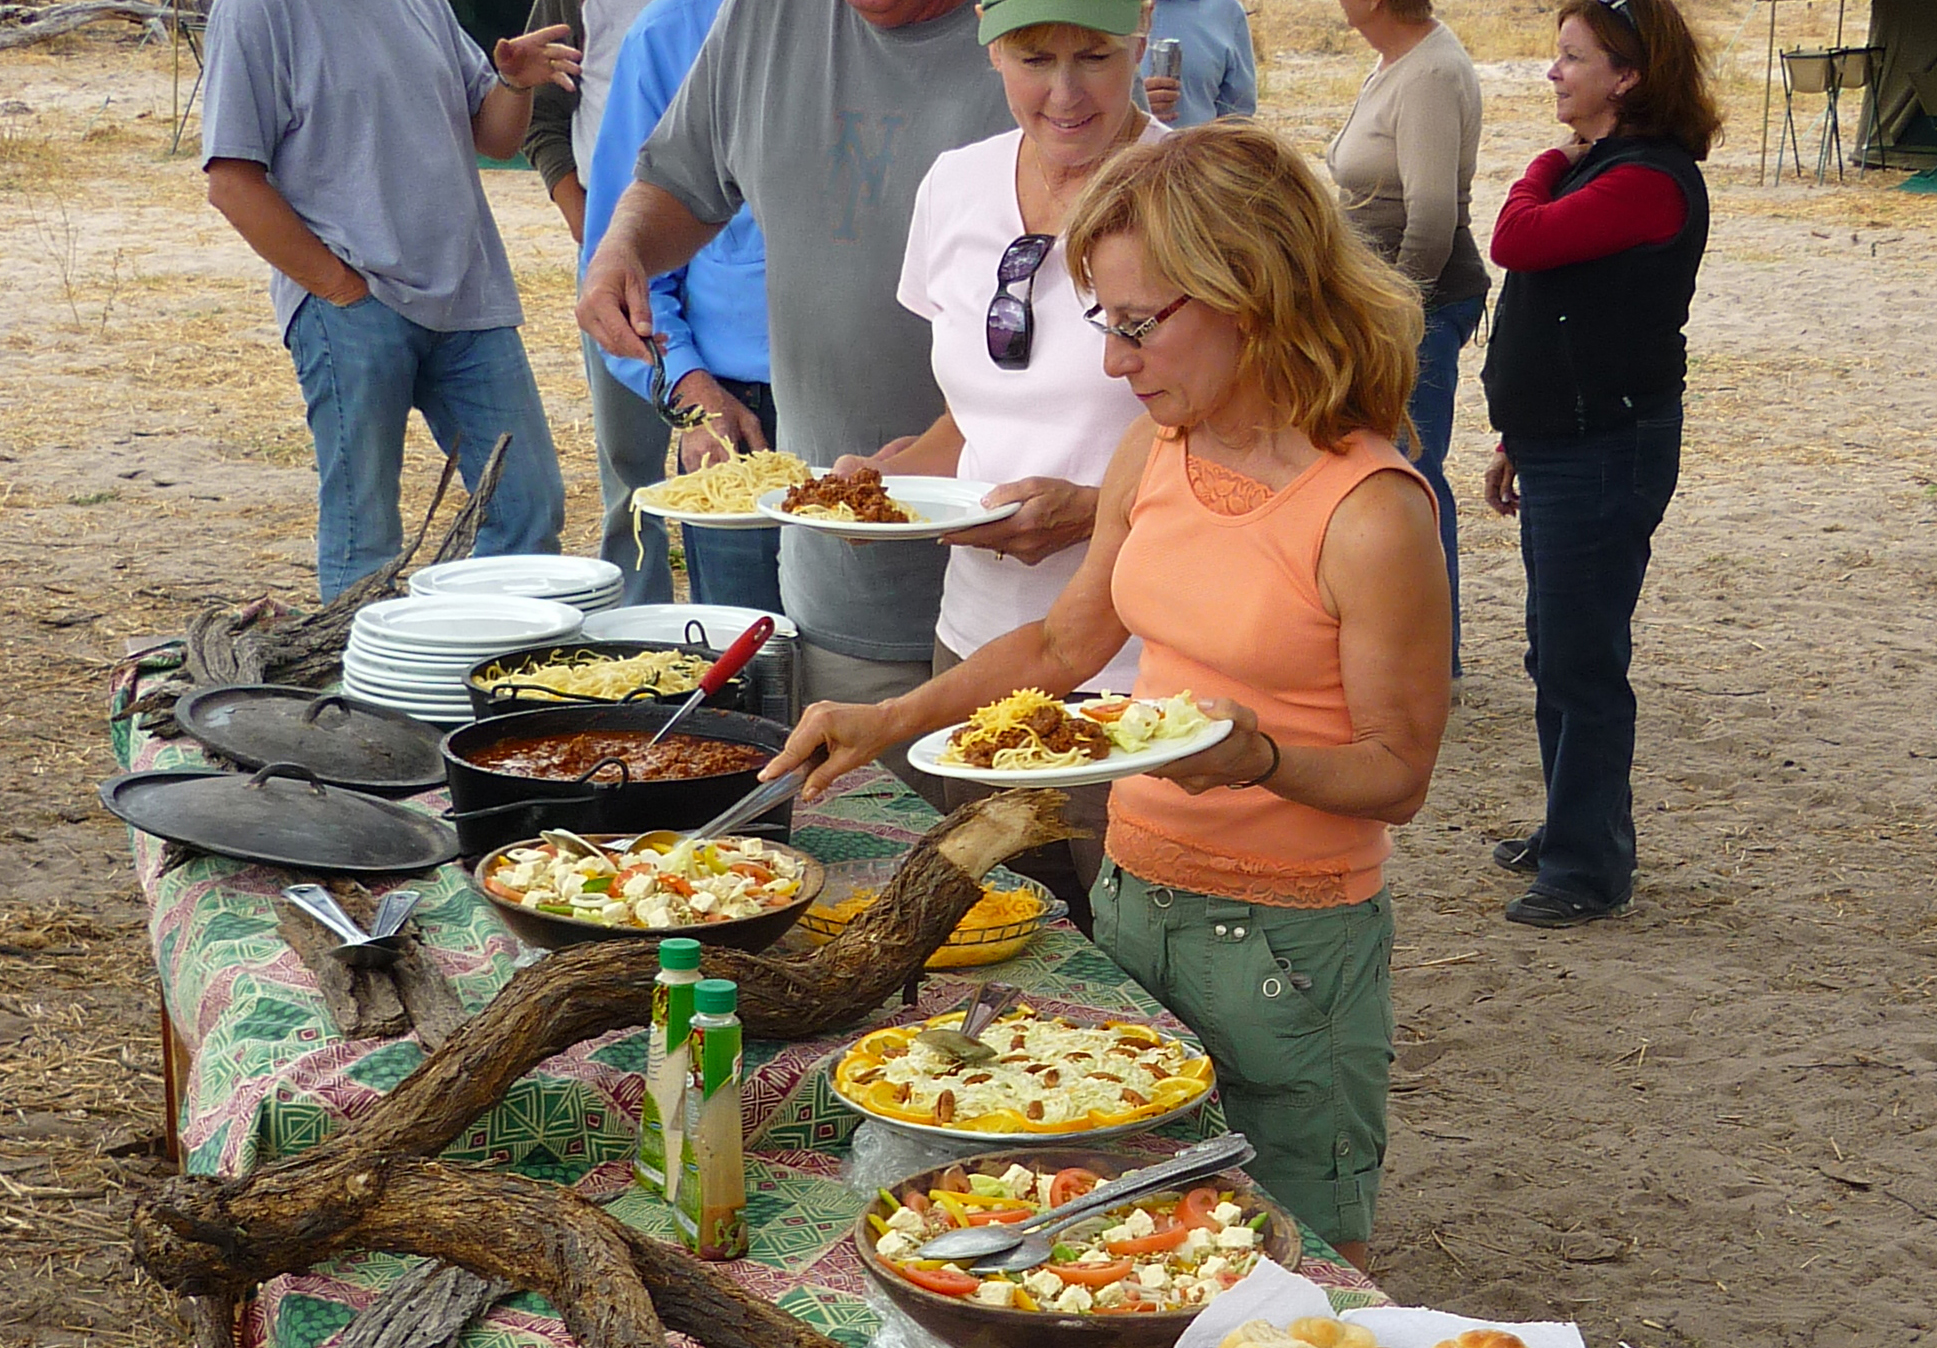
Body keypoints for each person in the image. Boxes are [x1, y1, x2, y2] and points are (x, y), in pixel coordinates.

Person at [765, 125, 1450, 1266]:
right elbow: (1061, 643)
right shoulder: (1156, 450)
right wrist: (885, 722)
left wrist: (1261, 760)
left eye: (1137, 325)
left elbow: (1397, 774)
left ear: (1256, 295)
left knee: (1291, 1252)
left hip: (1284, 940)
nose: (1117, 361)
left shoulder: (1370, 512)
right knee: (1124, 1231)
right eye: (1106, 323)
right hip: (1130, 896)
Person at [577, 0, 1014, 719]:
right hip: (837, 587)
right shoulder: (762, 15)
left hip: (1021, 594)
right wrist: (624, 247)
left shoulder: (1043, 36)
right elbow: (680, 181)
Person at [839, 0, 1165, 889]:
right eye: (1032, 57)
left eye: (1093, 57)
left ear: (1141, 29)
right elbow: (974, 418)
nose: (1064, 92)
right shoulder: (955, 183)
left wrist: (1096, 511)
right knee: (997, 929)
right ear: (987, 41)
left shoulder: (1192, 191)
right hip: (977, 644)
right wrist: (876, 485)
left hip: (1136, 664)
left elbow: (1256, 440)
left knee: (1124, 959)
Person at [200, 0, 573, 603]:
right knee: (366, 538)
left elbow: (494, 137)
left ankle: (495, 686)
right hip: (351, 310)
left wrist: (511, 82)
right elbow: (231, 180)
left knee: (528, 508)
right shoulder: (255, 11)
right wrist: (342, 289)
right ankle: (360, 692)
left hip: (469, 297)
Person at [1482, 0, 1718, 925]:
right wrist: (1517, 439)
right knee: (1558, 649)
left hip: (1603, 449)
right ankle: (1571, 828)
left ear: (1626, 76)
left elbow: (1518, 241)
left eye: (1570, 58)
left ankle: (1587, 867)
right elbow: (1570, 314)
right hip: (1563, 444)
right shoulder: (1615, 171)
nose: (1552, 73)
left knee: (1581, 658)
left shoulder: (1645, 180)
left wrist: (1546, 163)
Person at [583, 0, 778, 612]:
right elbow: (629, 268)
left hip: (901, 404)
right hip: (743, 409)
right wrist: (694, 394)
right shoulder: (670, 34)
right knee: (748, 648)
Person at [1325, 0, 1487, 677]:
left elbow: (1430, 218)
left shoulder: (1425, 73)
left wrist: (1393, 315)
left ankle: (1425, 664)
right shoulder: (1397, 61)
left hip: (1413, 306)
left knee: (1408, 476)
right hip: (1385, 303)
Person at [522, 0, 675, 605]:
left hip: (727, 246)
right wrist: (594, 234)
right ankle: (641, 625)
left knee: (731, 448)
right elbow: (543, 114)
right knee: (629, 462)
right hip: (615, 241)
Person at [1139, 0, 1256, 127]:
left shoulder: (1226, 10)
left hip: (1196, 145)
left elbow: (1237, 117)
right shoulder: (1116, 9)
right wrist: (1132, 104)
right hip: (1119, 144)